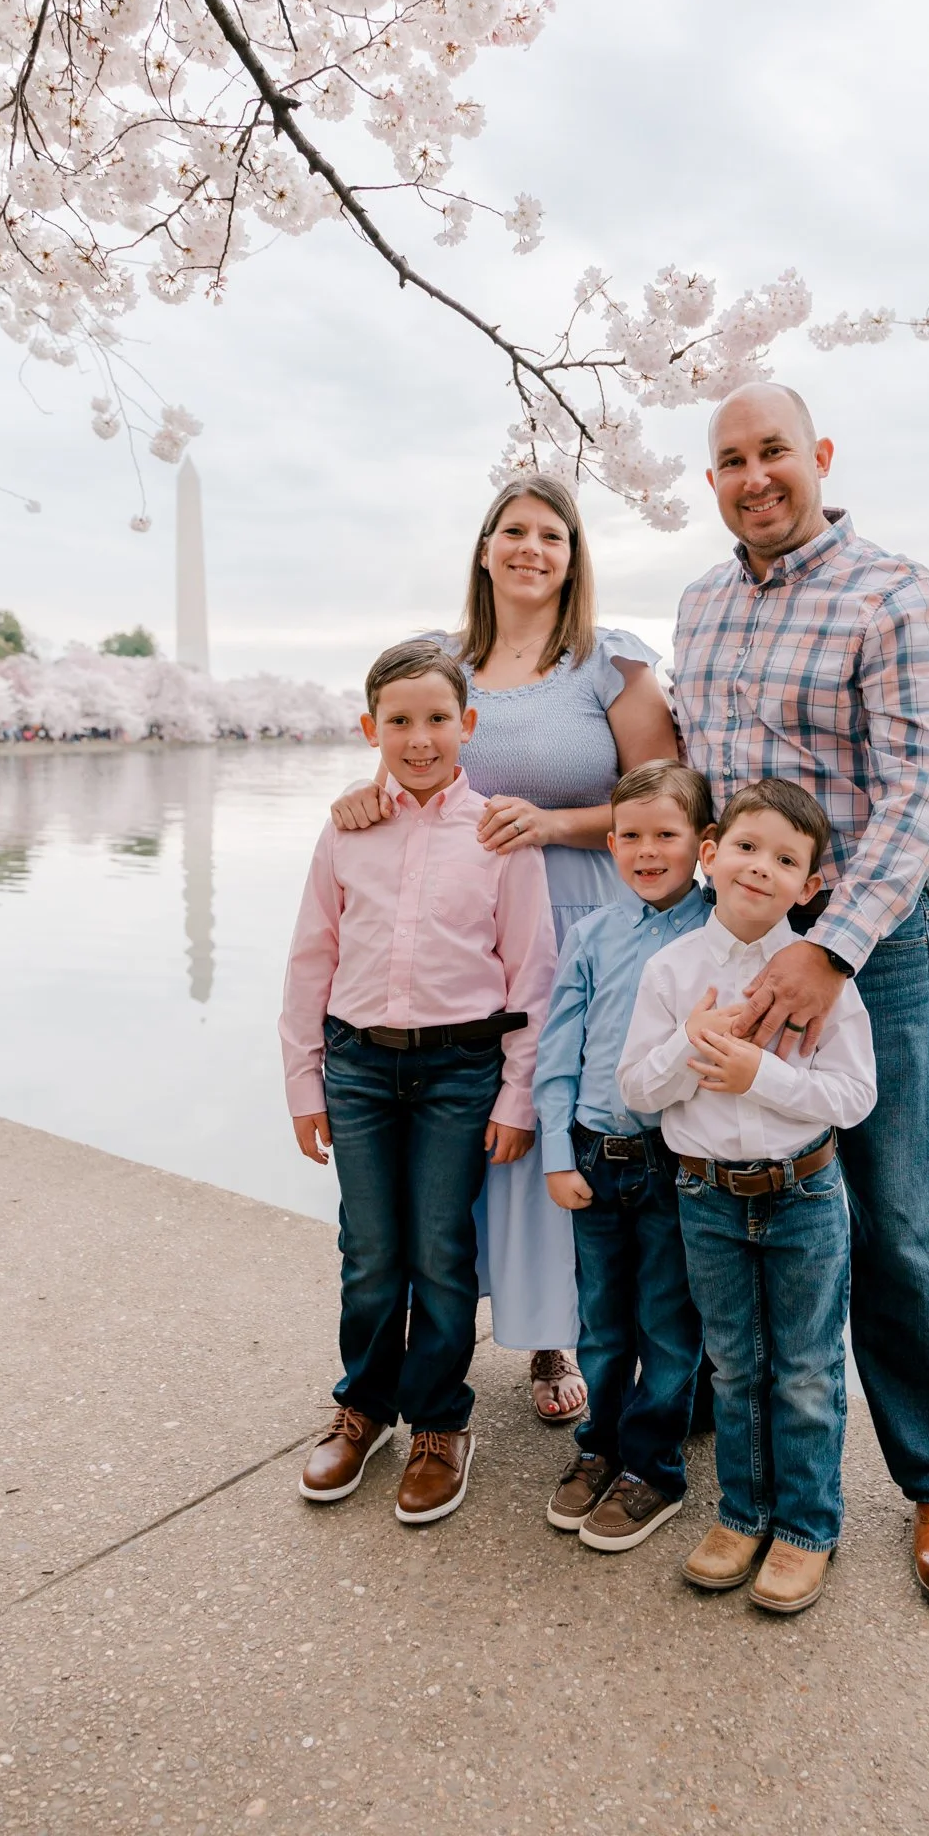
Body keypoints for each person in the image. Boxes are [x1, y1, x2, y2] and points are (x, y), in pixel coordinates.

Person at [671, 380, 929, 1606]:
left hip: (875, 951)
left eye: (773, 453)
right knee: (731, 1182)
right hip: (736, 947)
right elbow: (693, 786)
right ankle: (737, 1447)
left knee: (896, 1213)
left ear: (818, 456)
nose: (754, 477)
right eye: (729, 460)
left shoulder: (892, 593)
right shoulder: (700, 605)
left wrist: (832, 947)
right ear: (711, 482)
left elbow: (922, 790)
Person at [330, 476, 678, 1421]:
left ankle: (562, 1338)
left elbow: (667, 803)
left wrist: (555, 823)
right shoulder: (439, 662)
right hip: (466, 932)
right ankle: (473, 1336)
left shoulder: (612, 665)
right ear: (484, 548)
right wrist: (362, 800)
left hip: (585, 915)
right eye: (513, 531)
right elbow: (406, 769)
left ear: (575, 557)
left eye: (552, 536)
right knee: (482, 1131)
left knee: (564, 1121)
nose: (531, 548)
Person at [280, 639, 556, 1524]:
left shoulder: (500, 834)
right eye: (398, 721)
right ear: (370, 729)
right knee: (368, 1253)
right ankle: (362, 1408)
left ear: (467, 725)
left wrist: (518, 1095)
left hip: (458, 1070)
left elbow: (532, 976)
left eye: (438, 718)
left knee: (441, 1253)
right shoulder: (348, 828)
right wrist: (304, 1083)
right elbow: (310, 957)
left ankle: (439, 1422)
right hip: (358, 1065)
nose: (420, 737)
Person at [618, 778, 876, 1614]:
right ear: (709, 855)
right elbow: (635, 1089)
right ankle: (741, 1513)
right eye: (745, 847)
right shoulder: (671, 968)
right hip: (706, 1197)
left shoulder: (822, 980)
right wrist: (687, 1049)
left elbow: (853, 1097)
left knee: (802, 1368)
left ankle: (805, 1526)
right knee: (732, 1365)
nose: (760, 867)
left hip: (801, 1195)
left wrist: (756, 1073)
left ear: (810, 887)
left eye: (785, 859)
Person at [533, 759, 713, 1552]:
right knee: (601, 1323)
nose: (646, 851)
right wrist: (554, 1152)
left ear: (702, 843)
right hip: (592, 1153)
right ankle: (596, 1449)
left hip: (674, 1160)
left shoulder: (717, 936)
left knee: (668, 1326)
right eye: (630, 836)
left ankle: (653, 1470)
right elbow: (557, 1050)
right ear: (609, 844)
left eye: (665, 835)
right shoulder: (592, 933)